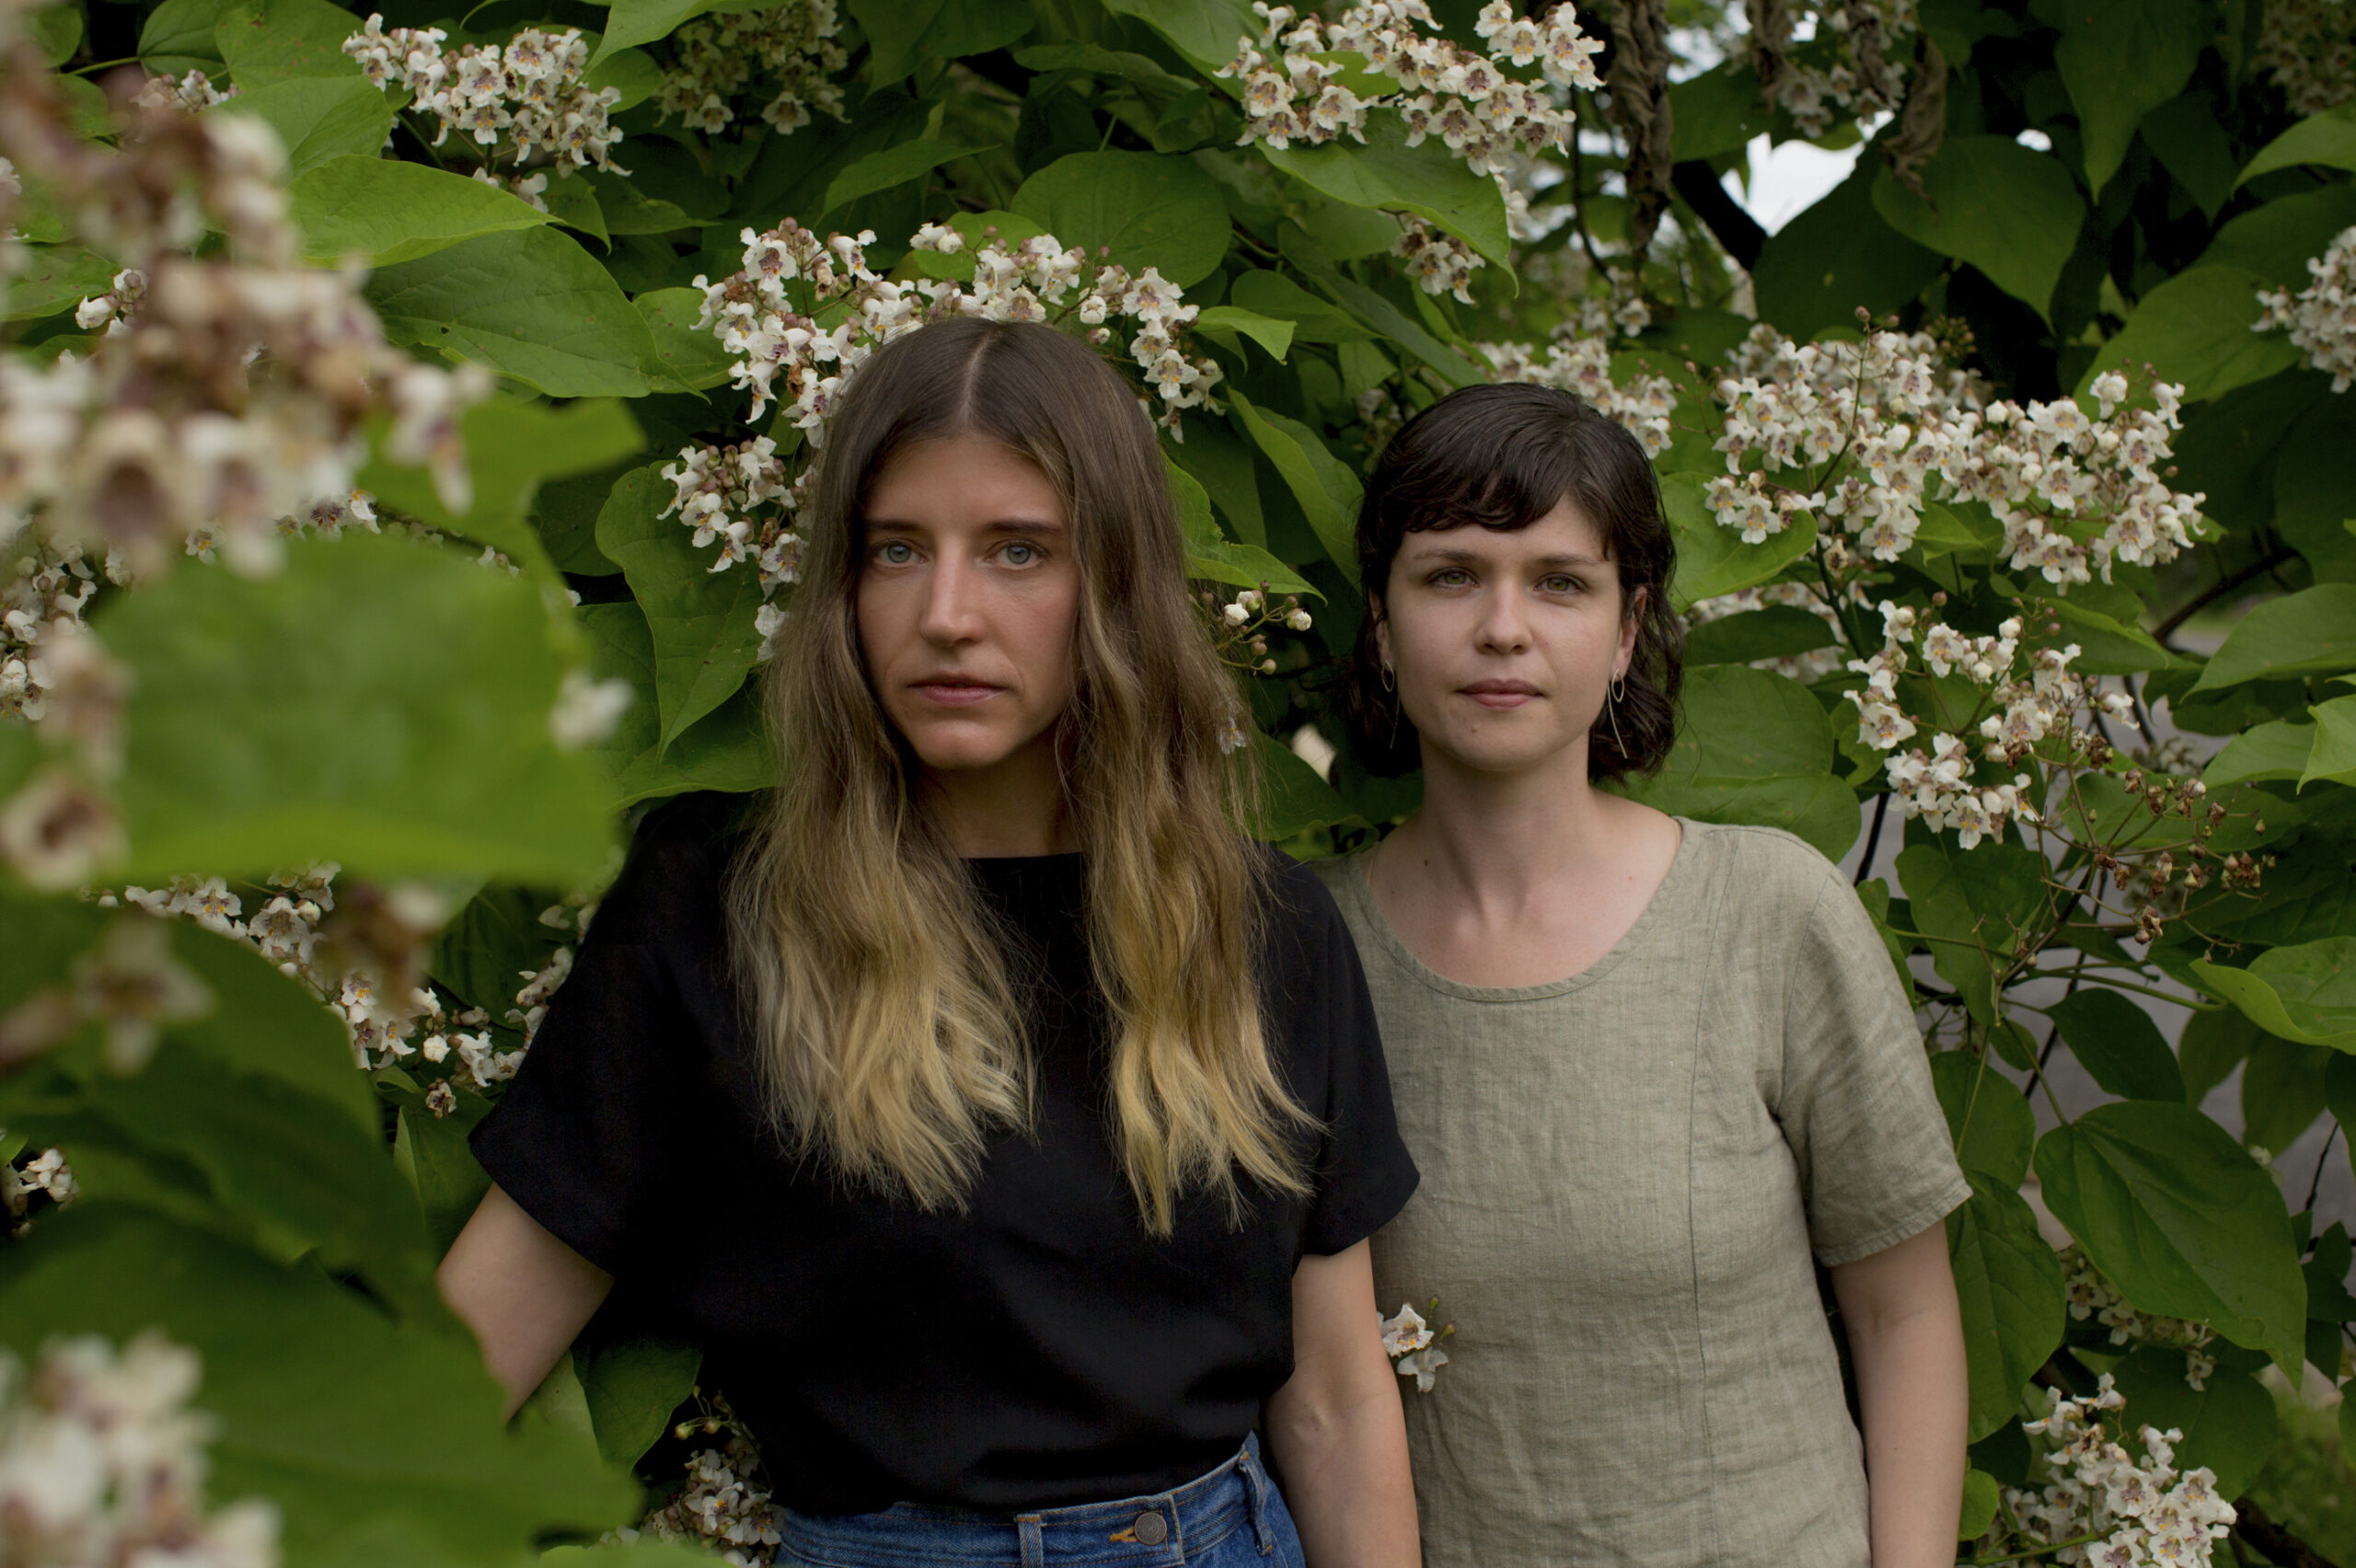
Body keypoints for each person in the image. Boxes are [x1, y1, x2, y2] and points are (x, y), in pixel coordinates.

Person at [436, 317, 1423, 1568]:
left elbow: (1334, 1402)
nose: (947, 614)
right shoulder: (716, 907)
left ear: (1113, 585)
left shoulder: (1260, 926)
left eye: (1019, 551)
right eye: (897, 550)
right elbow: (472, 1350)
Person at [1310, 382, 1970, 1568]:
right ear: (1381, 620)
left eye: (1560, 581)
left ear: (1626, 632)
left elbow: (1905, 1310)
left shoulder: (1770, 915)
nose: (1503, 627)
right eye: (1450, 574)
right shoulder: (1306, 953)